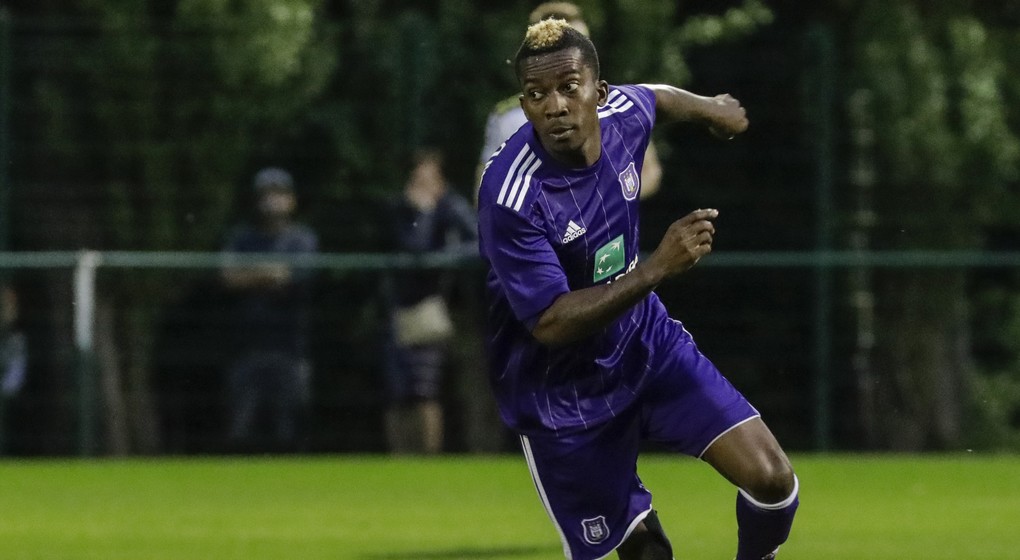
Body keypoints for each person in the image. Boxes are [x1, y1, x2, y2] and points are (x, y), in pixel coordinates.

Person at [476, 20, 798, 560]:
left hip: (645, 344)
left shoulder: (623, 116)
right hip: (562, 393)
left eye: (568, 88)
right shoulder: (511, 195)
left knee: (773, 480)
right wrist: (656, 269)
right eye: (536, 94)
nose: (554, 106)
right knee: (647, 553)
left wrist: (710, 108)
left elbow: (655, 96)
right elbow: (550, 323)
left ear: (599, 93)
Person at [476, 2, 661, 201]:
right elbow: (485, 189)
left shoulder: (618, 104)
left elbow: (649, 171)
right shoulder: (510, 118)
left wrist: (608, 199)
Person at [382, 148, 478, 454]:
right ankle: (399, 457)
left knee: (425, 390)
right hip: (397, 307)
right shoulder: (400, 208)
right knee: (396, 392)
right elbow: (410, 247)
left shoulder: (451, 206)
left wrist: (441, 253)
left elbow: (478, 241)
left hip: (432, 308)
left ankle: (428, 457)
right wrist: (421, 212)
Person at [220, 167, 318, 452]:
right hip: (246, 348)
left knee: (290, 430)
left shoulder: (302, 239)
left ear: (292, 200)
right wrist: (271, 274)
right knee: (240, 430)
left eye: (279, 193)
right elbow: (228, 278)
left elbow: (295, 278)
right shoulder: (241, 238)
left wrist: (252, 275)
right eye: (266, 194)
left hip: (290, 348)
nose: (272, 200)